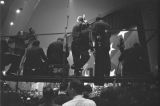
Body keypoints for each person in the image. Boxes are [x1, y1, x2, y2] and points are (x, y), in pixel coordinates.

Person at [92, 16, 111, 84]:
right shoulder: (107, 24)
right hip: (106, 45)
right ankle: (107, 73)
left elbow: (94, 33)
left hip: (100, 45)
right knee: (106, 59)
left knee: (99, 61)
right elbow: (109, 34)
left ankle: (100, 76)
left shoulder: (96, 24)